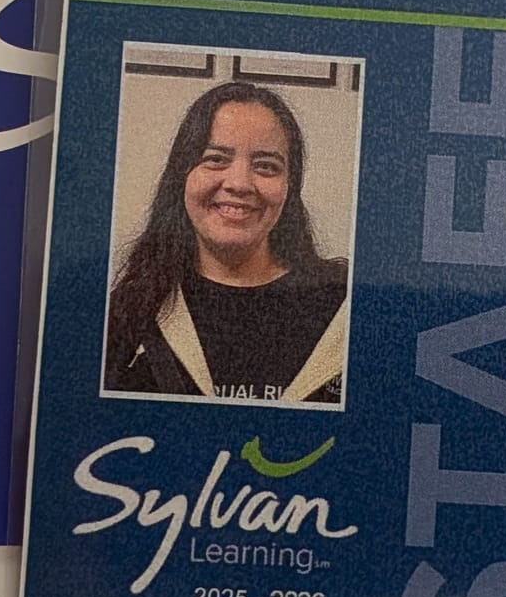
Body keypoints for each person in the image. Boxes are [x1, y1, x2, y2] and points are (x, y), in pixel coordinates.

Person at [104, 80, 349, 405]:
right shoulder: (130, 313)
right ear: (182, 176)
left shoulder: (346, 309)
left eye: (266, 166)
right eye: (216, 159)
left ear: (289, 188)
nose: (239, 183)